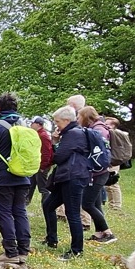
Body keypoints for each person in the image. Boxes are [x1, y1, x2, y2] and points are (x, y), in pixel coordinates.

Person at [0, 93, 32, 264]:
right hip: (23, 176)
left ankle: (10, 252)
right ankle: (24, 250)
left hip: (3, 178)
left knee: (4, 213)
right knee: (20, 212)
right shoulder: (24, 125)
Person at [42, 106, 90, 259]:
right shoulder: (71, 133)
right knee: (48, 205)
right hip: (67, 177)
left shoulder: (73, 134)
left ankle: (77, 250)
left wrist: (54, 142)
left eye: (57, 122)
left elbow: (58, 157)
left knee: (72, 213)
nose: (56, 125)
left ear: (67, 120)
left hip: (73, 177)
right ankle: (51, 239)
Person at [77, 107, 117, 244]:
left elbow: (97, 152)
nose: (77, 120)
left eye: (79, 117)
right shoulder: (98, 128)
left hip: (98, 172)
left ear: (86, 117)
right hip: (98, 172)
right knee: (96, 203)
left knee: (87, 203)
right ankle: (100, 232)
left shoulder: (98, 130)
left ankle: (108, 232)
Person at [26, 116, 55, 209]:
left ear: (38, 124)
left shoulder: (43, 135)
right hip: (36, 165)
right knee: (31, 185)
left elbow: (47, 152)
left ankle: (46, 205)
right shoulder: (38, 134)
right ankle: (25, 203)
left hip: (41, 165)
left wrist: (43, 166)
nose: (31, 125)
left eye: (32, 123)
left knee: (43, 188)